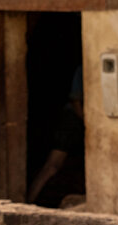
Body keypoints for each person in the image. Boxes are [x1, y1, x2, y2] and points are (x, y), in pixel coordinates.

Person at [27, 67, 85, 207]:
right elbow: (76, 100)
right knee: (53, 165)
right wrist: (87, 122)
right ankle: (28, 202)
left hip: (80, 120)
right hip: (73, 120)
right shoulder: (81, 70)